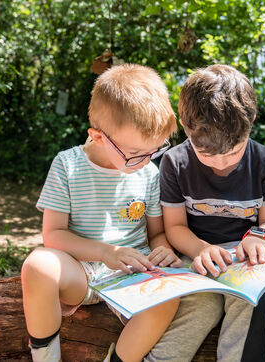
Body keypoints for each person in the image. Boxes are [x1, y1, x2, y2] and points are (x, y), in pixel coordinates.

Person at [22, 63, 182, 362]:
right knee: (37, 265)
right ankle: (45, 356)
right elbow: (52, 234)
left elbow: (157, 233)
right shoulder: (68, 165)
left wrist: (163, 251)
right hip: (81, 270)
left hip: (133, 273)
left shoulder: (148, 172)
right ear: (97, 137)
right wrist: (105, 252)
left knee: (168, 300)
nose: (144, 161)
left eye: (153, 151)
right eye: (134, 153)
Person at [147, 64, 265, 362]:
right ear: (186, 126)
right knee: (196, 307)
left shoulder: (264, 161)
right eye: (208, 154)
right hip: (196, 258)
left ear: (250, 122)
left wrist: (259, 237)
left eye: (234, 152)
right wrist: (202, 250)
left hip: (250, 261)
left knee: (252, 299)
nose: (222, 163)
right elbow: (174, 228)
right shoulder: (175, 163)